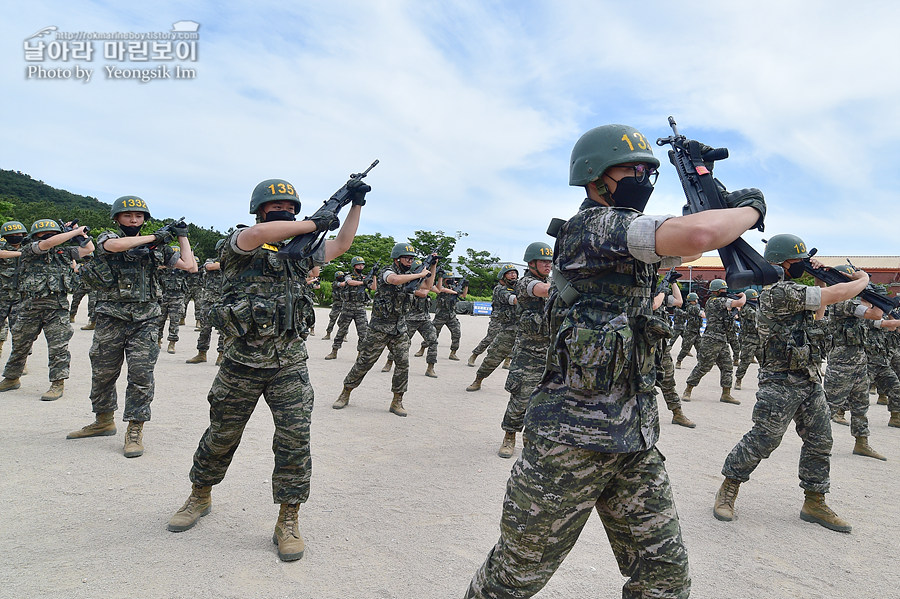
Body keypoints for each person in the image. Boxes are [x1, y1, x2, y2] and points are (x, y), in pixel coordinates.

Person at [465, 123, 766, 598]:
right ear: (594, 178)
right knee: (512, 581)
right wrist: (748, 208)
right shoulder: (593, 226)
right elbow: (702, 233)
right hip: (569, 442)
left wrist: (708, 201)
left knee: (665, 582)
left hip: (635, 439)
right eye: (632, 168)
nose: (644, 178)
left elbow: (687, 243)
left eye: (650, 170)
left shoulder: (628, 241)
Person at [167, 176, 364, 562]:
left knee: (294, 444)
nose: (285, 213)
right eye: (278, 210)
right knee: (222, 435)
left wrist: (354, 206)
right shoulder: (240, 243)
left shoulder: (303, 251)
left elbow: (341, 245)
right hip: (241, 363)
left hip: (289, 365)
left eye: (291, 209)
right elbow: (258, 233)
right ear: (259, 210)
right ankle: (199, 496)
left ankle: (288, 519)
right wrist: (315, 221)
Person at [713, 235, 879, 533]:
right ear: (783, 263)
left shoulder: (799, 292)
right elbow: (839, 296)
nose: (803, 265)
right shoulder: (778, 293)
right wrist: (862, 278)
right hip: (780, 381)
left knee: (821, 439)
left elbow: (819, 313)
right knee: (764, 439)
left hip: (809, 378)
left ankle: (814, 501)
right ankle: (728, 488)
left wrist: (822, 278)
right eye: (799, 261)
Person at [66, 199, 195, 456]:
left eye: (138, 216)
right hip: (111, 317)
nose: (134, 220)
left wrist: (181, 237)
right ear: (117, 219)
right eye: (128, 216)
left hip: (145, 319)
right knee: (103, 372)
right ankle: (103, 420)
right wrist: (153, 237)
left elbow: (190, 266)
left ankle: (135, 428)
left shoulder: (158, 248)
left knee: (141, 376)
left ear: (144, 218)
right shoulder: (109, 237)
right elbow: (113, 246)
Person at [332, 243, 435, 416]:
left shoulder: (411, 275)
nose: (410, 261)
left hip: (399, 328)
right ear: (397, 258)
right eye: (407, 258)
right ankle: (346, 392)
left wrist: (432, 266)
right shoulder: (387, 271)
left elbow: (426, 288)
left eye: (412, 259)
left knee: (403, 364)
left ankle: (397, 401)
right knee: (364, 362)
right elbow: (394, 280)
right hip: (379, 327)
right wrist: (419, 273)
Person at [0, 219, 94, 400]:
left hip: (57, 307)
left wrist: (80, 235)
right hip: (30, 306)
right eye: (44, 234)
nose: (50, 237)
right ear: (35, 237)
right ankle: (12, 378)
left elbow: (89, 249)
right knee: (20, 345)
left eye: (53, 232)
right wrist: (71, 233)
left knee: (58, 347)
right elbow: (47, 244)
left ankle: (57, 384)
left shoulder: (64, 253)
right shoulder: (29, 251)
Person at [823, 265, 898, 460]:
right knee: (827, 406)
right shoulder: (842, 303)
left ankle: (861, 443)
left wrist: (868, 293)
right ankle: (816, 443)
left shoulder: (852, 303)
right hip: (841, 365)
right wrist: (869, 290)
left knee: (861, 406)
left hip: (859, 362)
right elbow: (876, 315)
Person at [497, 243, 552, 458]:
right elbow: (545, 291)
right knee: (520, 399)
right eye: (543, 261)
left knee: (546, 400)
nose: (548, 264)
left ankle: (532, 440)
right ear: (531, 263)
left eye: (550, 261)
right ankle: (509, 436)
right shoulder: (525, 283)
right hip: (528, 354)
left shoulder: (552, 282)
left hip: (550, 352)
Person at [682, 279, 744, 404]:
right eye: (723, 289)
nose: (725, 291)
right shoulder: (716, 301)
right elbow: (740, 302)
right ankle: (688, 390)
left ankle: (726, 394)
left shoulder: (720, 302)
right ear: (715, 291)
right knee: (703, 366)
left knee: (727, 367)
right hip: (711, 340)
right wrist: (743, 296)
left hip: (722, 339)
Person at [382, 258, 440, 378]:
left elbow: (433, 288)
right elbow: (423, 293)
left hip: (424, 318)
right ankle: (389, 362)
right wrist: (421, 278)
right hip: (409, 319)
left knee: (433, 340)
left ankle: (430, 367)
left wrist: (433, 267)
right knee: (402, 344)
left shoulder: (421, 281)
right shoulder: (407, 282)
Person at [465, 264, 518, 392]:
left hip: (516, 324)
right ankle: (476, 364)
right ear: (503, 276)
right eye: (509, 273)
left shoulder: (518, 287)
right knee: (491, 343)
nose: (513, 275)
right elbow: (512, 300)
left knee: (516, 347)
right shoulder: (500, 289)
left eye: (514, 273)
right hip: (499, 321)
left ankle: (507, 361)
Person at [653, 279, 696, 428]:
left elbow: (678, 301)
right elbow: (654, 304)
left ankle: (677, 414)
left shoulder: (661, 294)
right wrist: (663, 290)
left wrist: (672, 283)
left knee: (668, 382)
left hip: (662, 348)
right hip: (643, 348)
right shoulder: (643, 294)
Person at [324, 256, 374, 360]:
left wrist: (373, 276)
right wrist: (363, 283)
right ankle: (334, 351)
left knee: (363, 333)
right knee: (341, 331)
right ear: (354, 266)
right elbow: (349, 282)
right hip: (347, 308)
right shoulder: (348, 276)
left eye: (362, 265)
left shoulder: (365, 278)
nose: (361, 266)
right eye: (359, 265)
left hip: (360, 309)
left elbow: (373, 287)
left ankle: (360, 354)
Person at [185, 244, 225, 365]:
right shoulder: (211, 261)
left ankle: (221, 355)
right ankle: (202, 354)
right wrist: (226, 263)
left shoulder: (232, 262)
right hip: (208, 300)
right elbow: (210, 267)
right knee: (205, 329)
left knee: (224, 331)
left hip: (223, 301)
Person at [423, 268, 467, 360]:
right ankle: (422, 348)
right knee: (433, 335)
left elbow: (463, 296)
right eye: (448, 279)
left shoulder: (455, 288)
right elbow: (441, 290)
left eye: (452, 279)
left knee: (457, 333)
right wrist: (441, 278)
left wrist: (466, 286)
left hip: (451, 316)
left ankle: (453, 352)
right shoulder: (440, 286)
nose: (451, 281)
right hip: (440, 316)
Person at [0, 221, 27, 356]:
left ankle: (19, 360)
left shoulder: (29, 246)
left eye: (18, 234)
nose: (16, 236)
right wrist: (20, 254)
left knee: (20, 330)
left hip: (21, 297)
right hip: (2, 295)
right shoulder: (2, 247)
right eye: (12, 234)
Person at [157, 261, 190, 354]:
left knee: (174, 322)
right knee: (159, 321)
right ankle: (158, 340)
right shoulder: (162, 269)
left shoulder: (181, 270)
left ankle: (172, 343)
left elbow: (193, 268)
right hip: (163, 297)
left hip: (177, 298)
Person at [734, 288, 761, 389]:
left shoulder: (757, 308)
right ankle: (738, 380)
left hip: (759, 339)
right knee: (745, 362)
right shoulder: (746, 309)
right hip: (749, 340)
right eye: (753, 299)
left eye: (756, 298)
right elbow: (757, 316)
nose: (755, 300)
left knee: (765, 363)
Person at [675, 292, 703, 368]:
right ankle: (679, 361)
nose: (697, 300)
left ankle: (701, 364)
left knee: (700, 348)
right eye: (696, 299)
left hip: (696, 331)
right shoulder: (691, 307)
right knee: (685, 348)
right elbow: (701, 313)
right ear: (693, 300)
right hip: (690, 332)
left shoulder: (695, 307)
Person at [322, 270, 346, 340]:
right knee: (332, 319)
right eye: (339, 277)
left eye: (342, 276)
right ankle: (328, 334)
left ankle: (344, 335)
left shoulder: (346, 284)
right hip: (336, 305)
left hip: (344, 304)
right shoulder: (335, 283)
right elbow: (341, 284)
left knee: (344, 321)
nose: (341, 277)